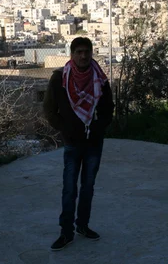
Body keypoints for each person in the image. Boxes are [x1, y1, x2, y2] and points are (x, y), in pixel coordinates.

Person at [44, 37, 114, 251]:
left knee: (88, 187)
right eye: (79, 52)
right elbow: (49, 110)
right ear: (72, 54)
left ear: (91, 53)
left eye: (87, 52)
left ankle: (82, 225)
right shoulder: (60, 78)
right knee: (69, 188)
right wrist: (65, 129)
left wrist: (99, 127)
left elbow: (108, 108)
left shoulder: (99, 78)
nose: (83, 56)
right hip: (72, 143)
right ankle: (66, 232)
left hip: (93, 143)